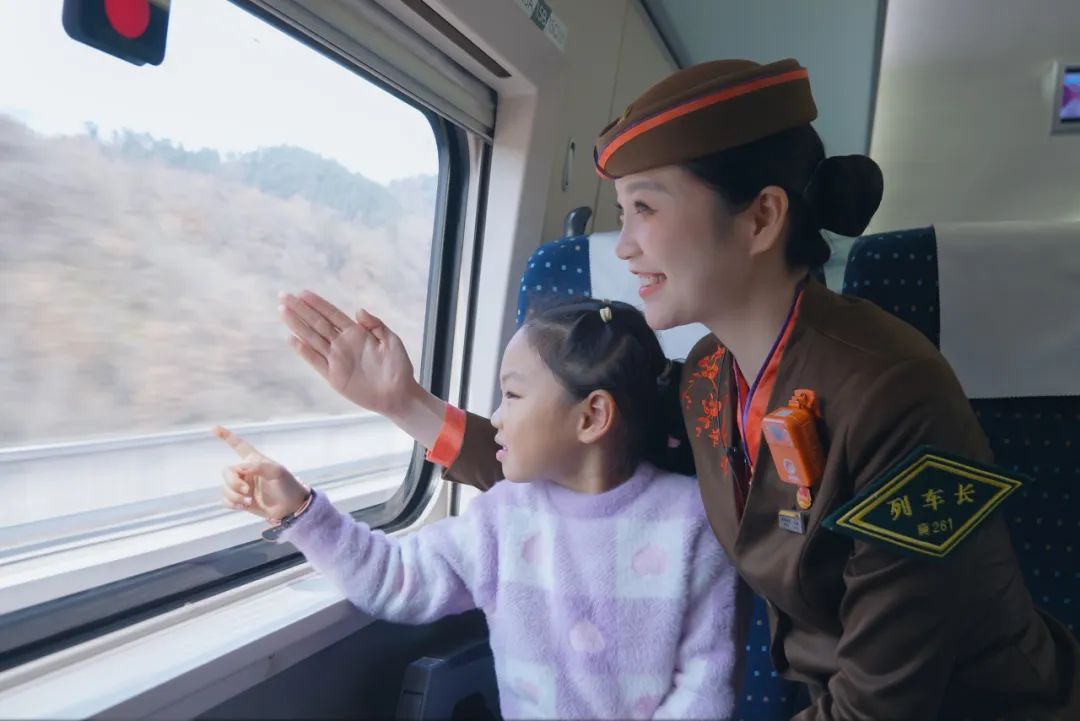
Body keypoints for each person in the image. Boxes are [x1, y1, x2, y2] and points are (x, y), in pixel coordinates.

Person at [279, 58, 1080, 720]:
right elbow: (584, 458)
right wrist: (404, 404)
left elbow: (888, 698)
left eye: (645, 208)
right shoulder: (708, 379)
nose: (624, 245)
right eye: (621, 212)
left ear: (760, 218)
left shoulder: (899, 395)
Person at [219, 299, 740, 720]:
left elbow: (706, 685)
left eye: (512, 395)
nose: (496, 417)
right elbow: (397, 580)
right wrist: (301, 512)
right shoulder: (504, 519)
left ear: (591, 417)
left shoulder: (692, 522)